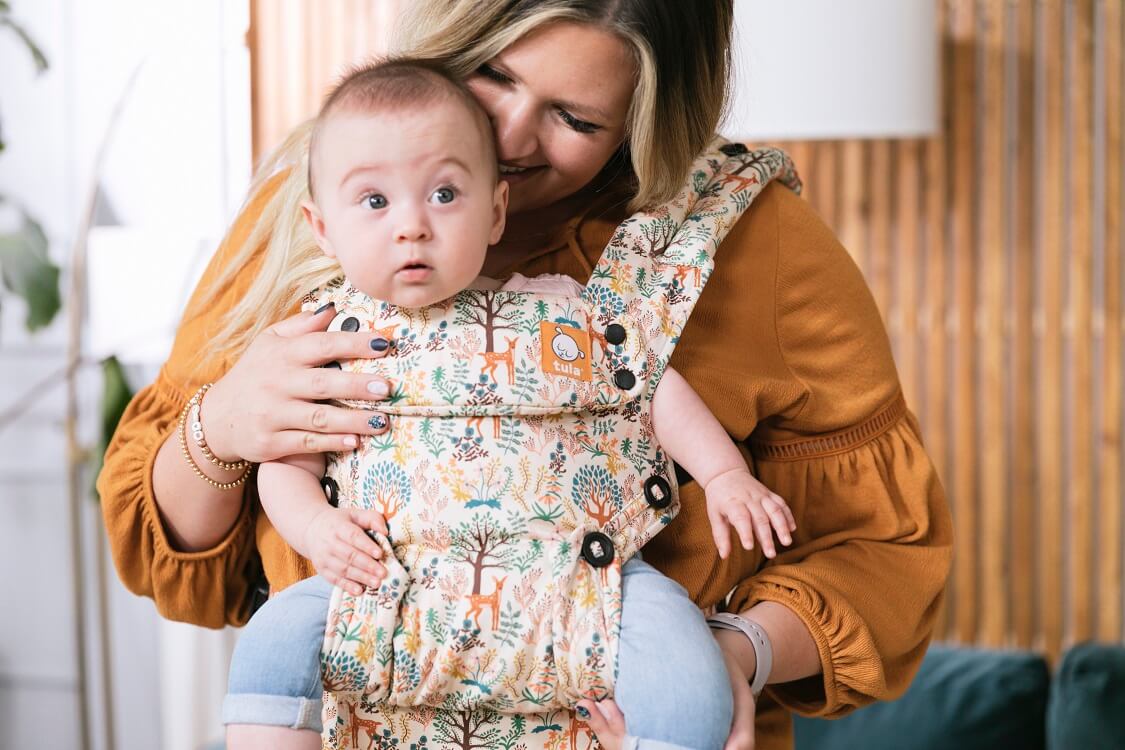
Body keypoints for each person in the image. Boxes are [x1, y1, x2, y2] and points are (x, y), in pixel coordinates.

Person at [98, 2, 953, 749]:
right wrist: (223, 428)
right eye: (492, 74)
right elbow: (172, 563)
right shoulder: (309, 203)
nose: (509, 139)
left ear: (646, 120)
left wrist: (728, 654)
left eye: (574, 120)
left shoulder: (752, 245)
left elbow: (879, 553)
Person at [223, 58, 797, 750]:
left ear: (494, 209)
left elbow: (647, 388)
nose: (411, 226)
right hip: (389, 581)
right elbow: (283, 460)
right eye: (374, 202)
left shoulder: (564, 308)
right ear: (321, 228)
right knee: (274, 639)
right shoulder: (328, 338)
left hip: (582, 581)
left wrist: (724, 473)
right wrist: (316, 530)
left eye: (443, 194)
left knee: (683, 655)